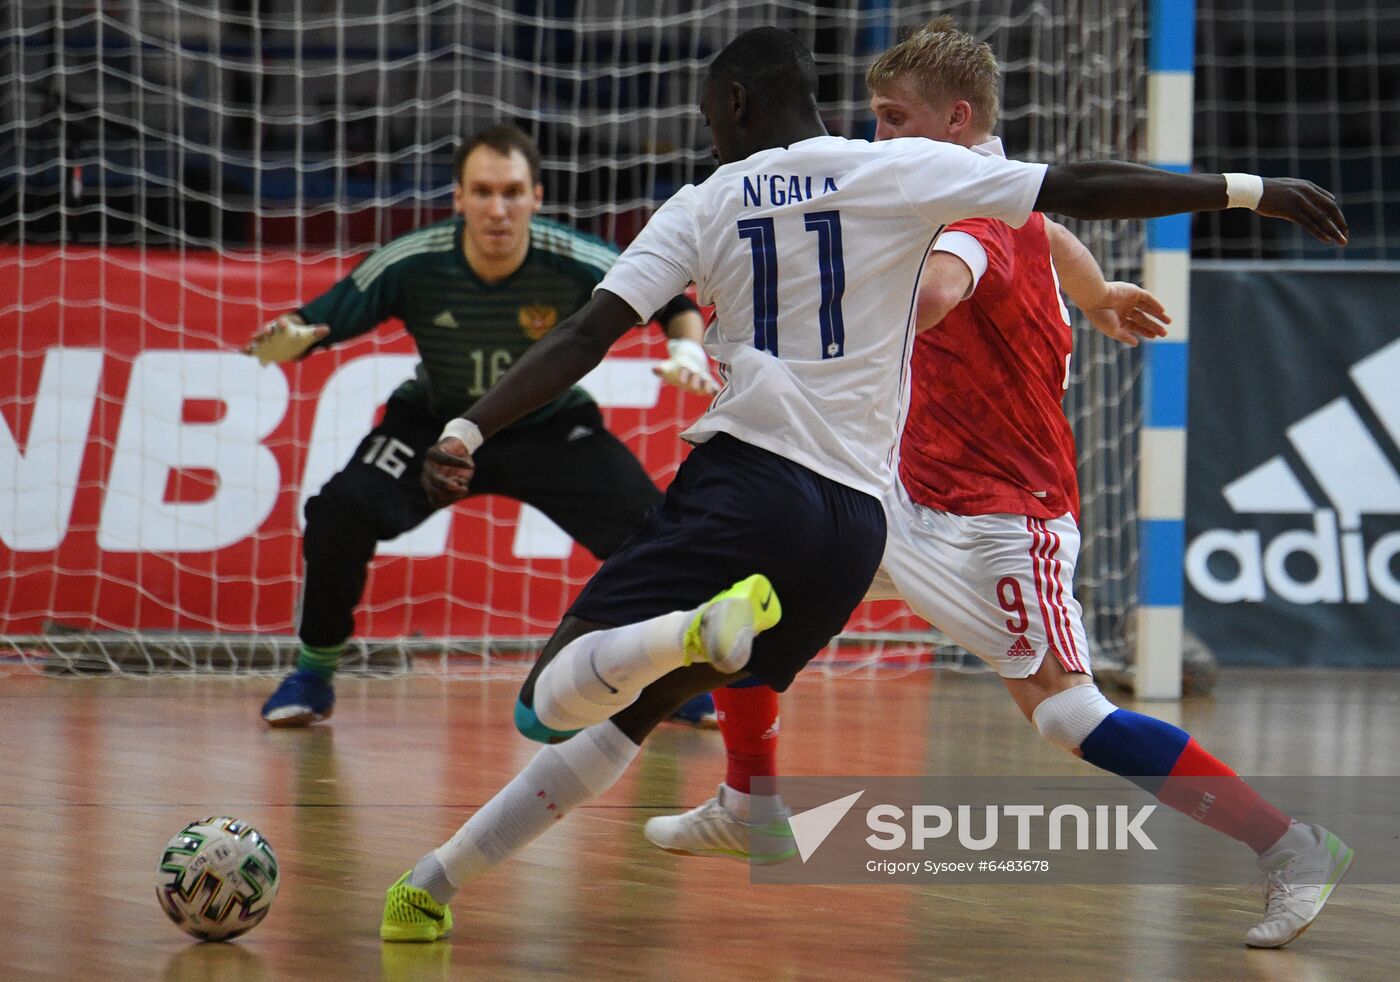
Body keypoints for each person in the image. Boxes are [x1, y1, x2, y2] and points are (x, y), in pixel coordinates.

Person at [377, 27, 1346, 943]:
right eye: (872, 117)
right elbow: (1052, 221)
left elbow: (948, 279)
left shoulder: (942, 210)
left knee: (1064, 713)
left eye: (892, 117)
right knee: (726, 635)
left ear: (956, 122)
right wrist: (1089, 292)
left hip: (998, 517)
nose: (877, 135)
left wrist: (830, 291)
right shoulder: (934, 187)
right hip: (886, 501)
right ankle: (739, 802)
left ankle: (1290, 844)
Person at [246, 123, 719, 728]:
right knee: (338, 512)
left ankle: (670, 680)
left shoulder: (575, 258)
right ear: (459, 198)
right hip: (435, 427)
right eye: (484, 192)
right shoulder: (412, 260)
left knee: (652, 535)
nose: (498, 209)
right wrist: (288, 338)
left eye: (512, 192)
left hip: (549, 428)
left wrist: (686, 351)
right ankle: (312, 675)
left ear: (537, 197)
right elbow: (314, 322)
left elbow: (677, 306)